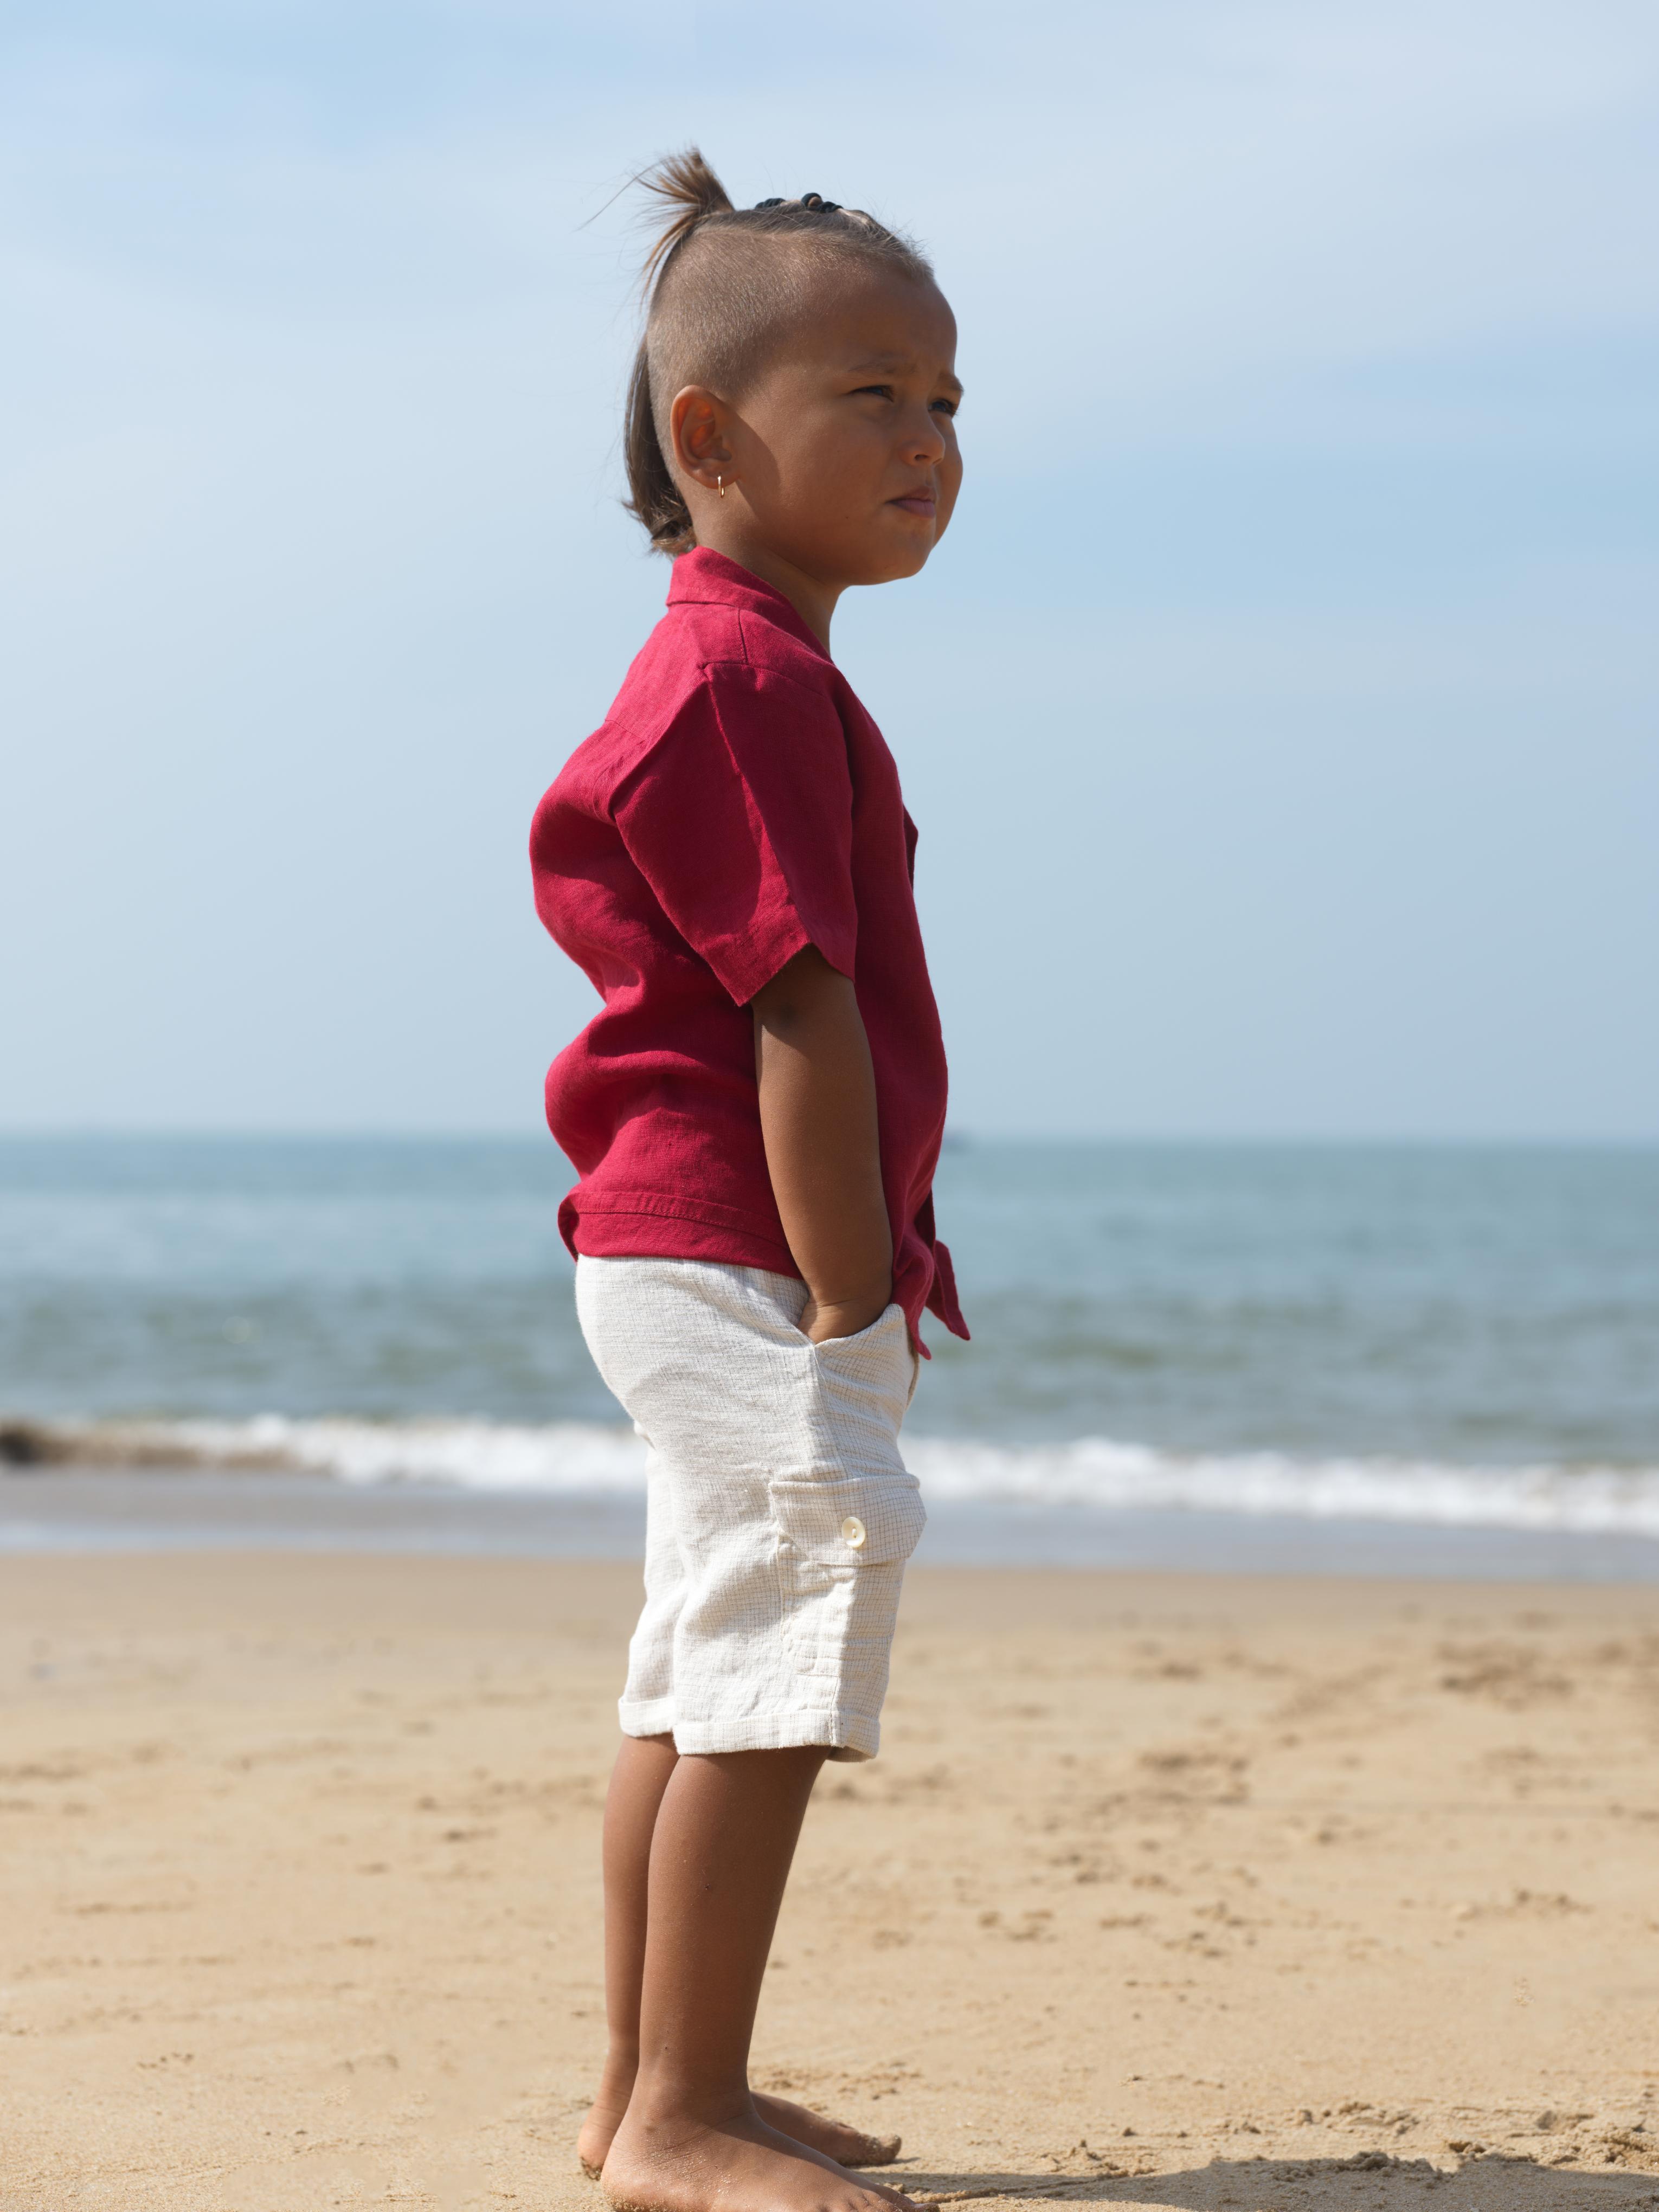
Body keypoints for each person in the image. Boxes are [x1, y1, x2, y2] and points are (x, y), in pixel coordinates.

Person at [529, 148, 968, 2212]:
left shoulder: (767, 666)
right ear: (709, 439)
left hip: (688, 1238)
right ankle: (678, 2117)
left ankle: (651, 2098)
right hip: (731, 1245)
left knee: (697, 1661)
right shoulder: (738, 679)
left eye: (948, 398)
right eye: (871, 393)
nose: (929, 439)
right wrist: (846, 1288)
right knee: (787, 1625)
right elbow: (796, 1010)